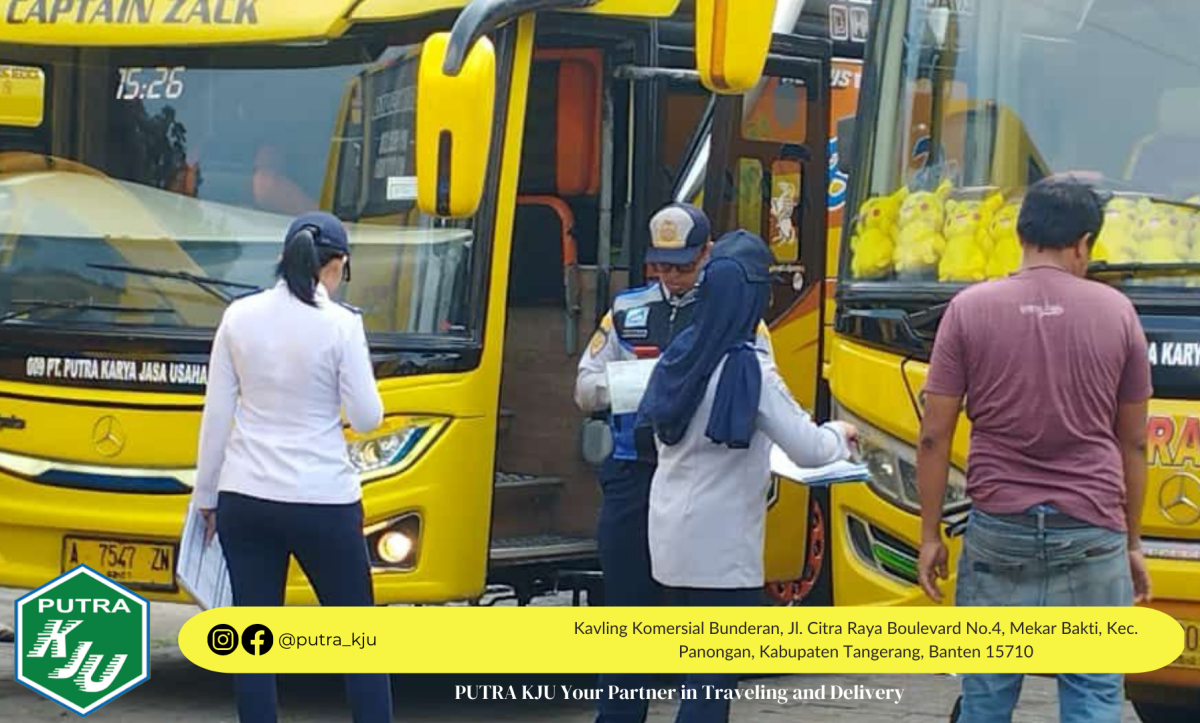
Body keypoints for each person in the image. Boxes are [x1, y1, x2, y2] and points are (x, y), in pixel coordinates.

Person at [915, 176, 1154, 723]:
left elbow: (934, 434)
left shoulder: (969, 310)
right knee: (1093, 693)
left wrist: (930, 535)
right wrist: (1133, 542)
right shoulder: (1118, 314)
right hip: (1093, 529)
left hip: (999, 529)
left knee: (987, 696)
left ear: (1021, 235)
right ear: (1083, 243)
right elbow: (1134, 440)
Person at [636, 230, 857, 723]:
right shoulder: (748, 367)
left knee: (694, 674)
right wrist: (840, 433)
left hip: (671, 535)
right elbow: (808, 447)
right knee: (710, 686)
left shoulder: (682, 351)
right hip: (723, 547)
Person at [575, 203, 774, 723]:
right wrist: (651, 384)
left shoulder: (738, 314)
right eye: (661, 266)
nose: (671, 277)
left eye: (682, 266)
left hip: (703, 484)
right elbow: (584, 387)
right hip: (634, 476)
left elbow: (766, 395)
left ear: (708, 253)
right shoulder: (627, 311)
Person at [192, 211, 391, 723]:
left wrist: (207, 500)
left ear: (284, 259)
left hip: (246, 498)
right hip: (323, 500)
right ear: (338, 265)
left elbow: (216, 418)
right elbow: (369, 417)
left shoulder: (238, 316)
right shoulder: (342, 325)